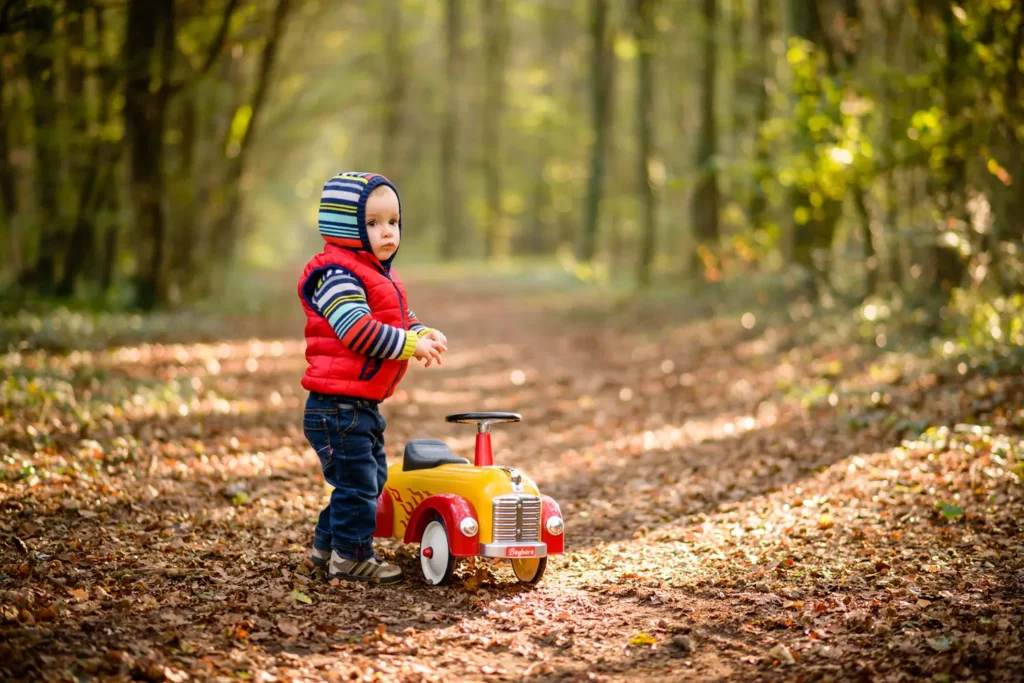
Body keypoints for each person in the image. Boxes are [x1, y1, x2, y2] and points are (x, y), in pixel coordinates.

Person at [296, 172, 447, 584]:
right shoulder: (336, 275)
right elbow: (357, 331)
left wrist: (420, 333)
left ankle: (326, 546)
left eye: (393, 222)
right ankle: (352, 557)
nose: (387, 232)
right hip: (336, 406)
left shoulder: (378, 273)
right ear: (347, 227)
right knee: (359, 486)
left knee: (366, 480)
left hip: (358, 403)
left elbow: (398, 319)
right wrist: (408, 346)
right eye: (373, 223)